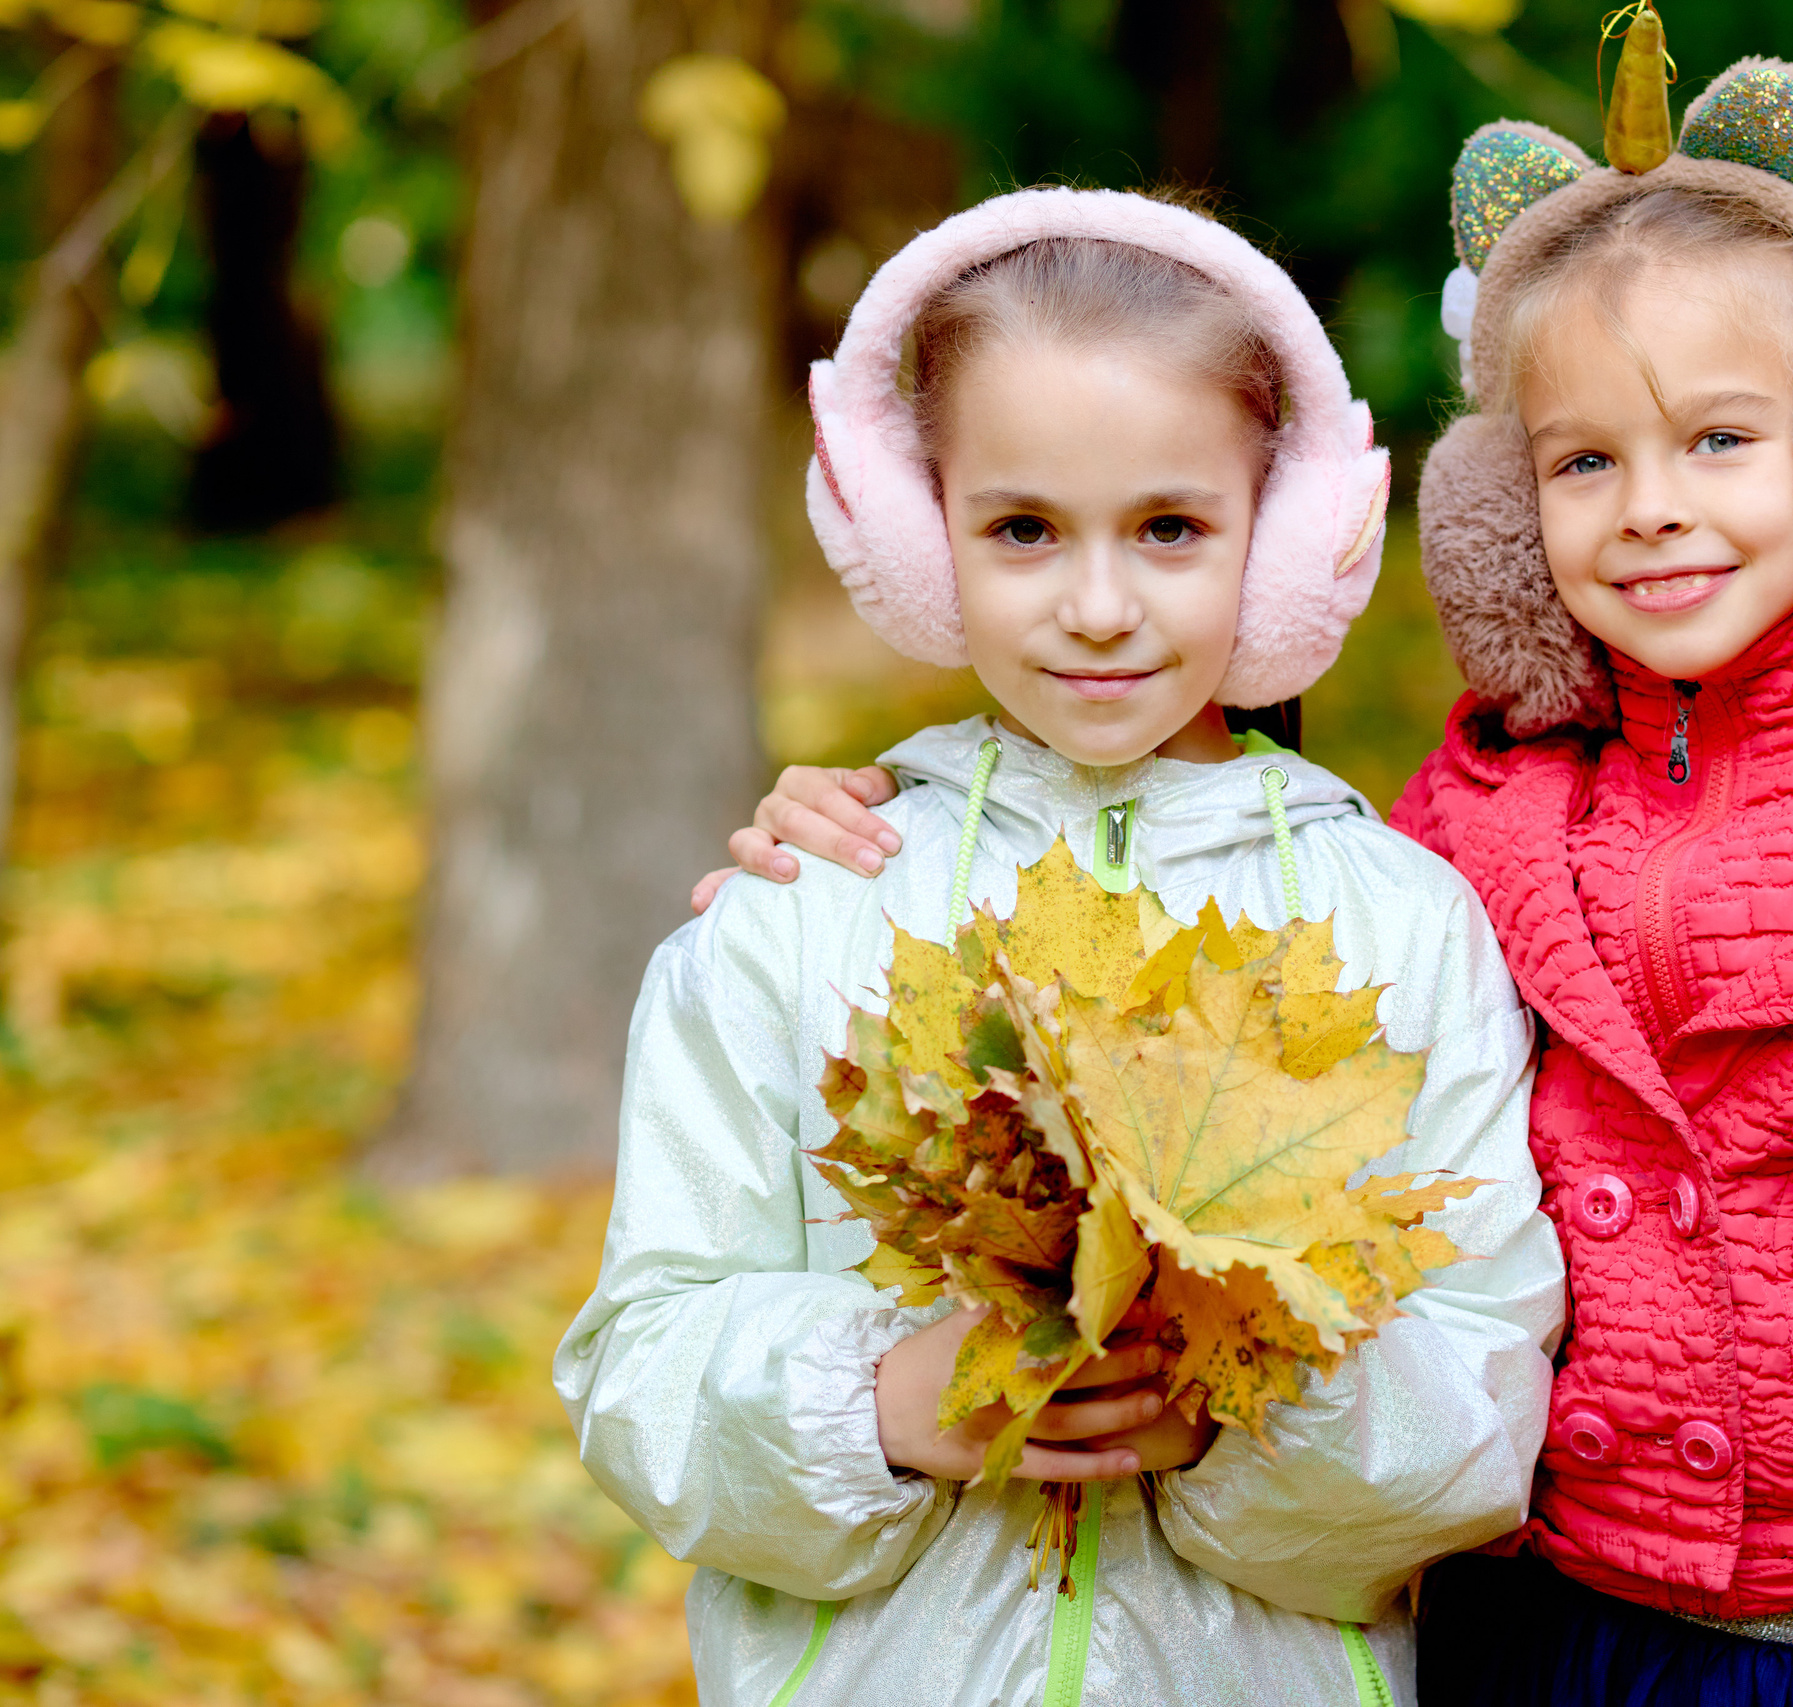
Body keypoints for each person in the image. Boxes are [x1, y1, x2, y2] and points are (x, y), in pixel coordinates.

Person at [702, 57, 1793, 1707]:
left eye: (1723, 440)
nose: (1653, 510)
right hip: (1517, 1625)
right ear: (1506, 505)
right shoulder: (1461, 824)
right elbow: (1194, 994)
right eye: (1582, 464)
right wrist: (898, 815)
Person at [562, 187, 1567, 1707]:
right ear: (914, 534)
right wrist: (879, 1406)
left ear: (1286, 542)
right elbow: (642, 1360)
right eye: (1022, 529)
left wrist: (1236, 1415)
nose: (1099, 607)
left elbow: (1489, 1384)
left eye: (1171, 528)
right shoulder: (806, 904)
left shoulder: (1398, 923)